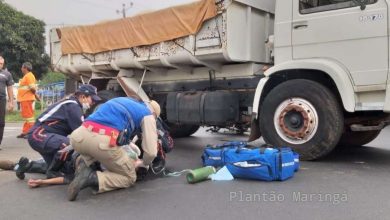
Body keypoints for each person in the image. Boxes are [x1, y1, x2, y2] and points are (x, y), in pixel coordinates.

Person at [67, 97, 161, 201]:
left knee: (95, 152)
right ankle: (92, 178)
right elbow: (151, 152)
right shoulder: (148, 114)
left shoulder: (122, 100)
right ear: (154, 114)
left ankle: (85, 165)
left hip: (78, 137)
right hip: (101, 142)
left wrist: (129, 144)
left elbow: (111, 124)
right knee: (129, 177)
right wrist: (144, 163)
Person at [15, 84, 101, 180]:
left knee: (65, 169)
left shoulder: (73, 105)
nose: (93, 102)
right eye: (92, 99)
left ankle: (25, 165)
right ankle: (53, 172)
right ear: (83, 96)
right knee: (68, 145)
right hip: (39, 135)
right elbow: (82, 134)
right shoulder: (73, 106)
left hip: (40, 136)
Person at [16, 62, 37, 138]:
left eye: (22, 67)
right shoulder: (27, 76)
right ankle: (25, 132)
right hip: (25, 99)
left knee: (29, 117)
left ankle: (30, 133)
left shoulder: (29, 76)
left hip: (27, 99)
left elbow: (32, 88)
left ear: (25, 68)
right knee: (27, 117)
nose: (21, 69)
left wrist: (35, 95)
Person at [0, 56, 14, 150]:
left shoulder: (7, 74)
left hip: (2, 100)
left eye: (1, 63)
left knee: (1, 122)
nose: (0, 65)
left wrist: (11, 102)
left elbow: (10, 88)